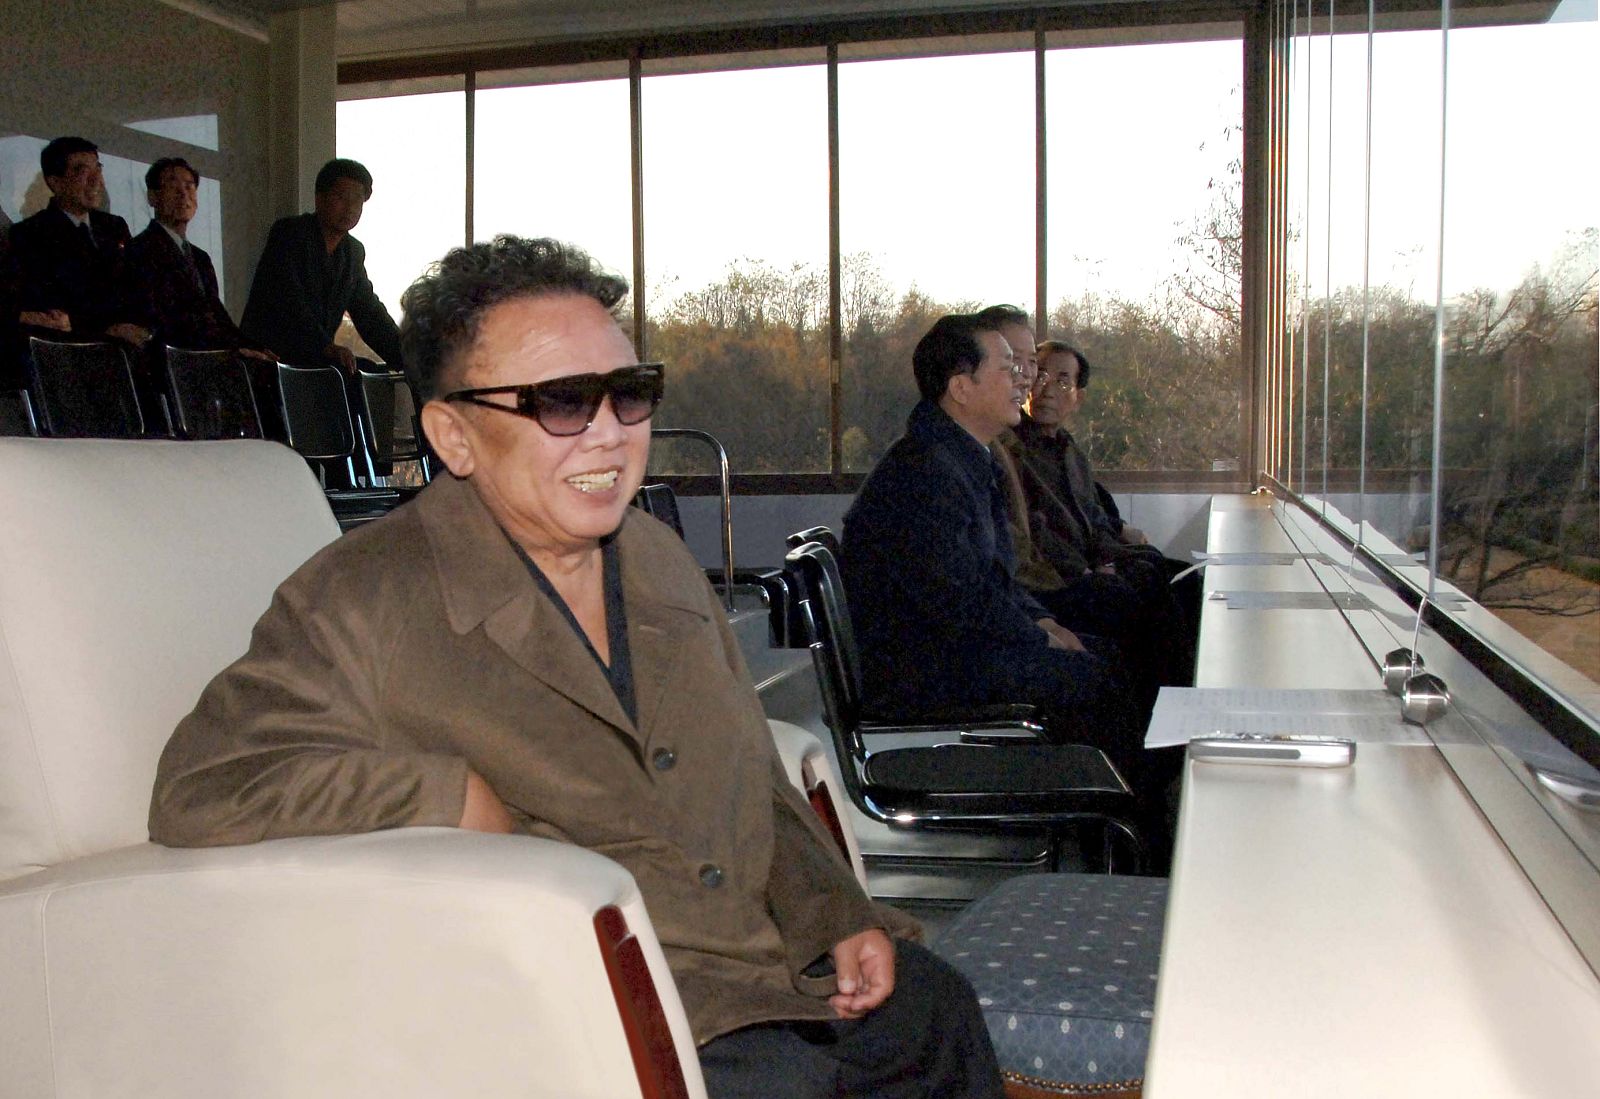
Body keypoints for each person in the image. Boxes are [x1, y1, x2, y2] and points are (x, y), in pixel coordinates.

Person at [149, 236, 1003, 1099]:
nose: (610, 433)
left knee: (936, 1013)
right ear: (453, 435)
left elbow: (752, 773)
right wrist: (445, 793)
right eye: (560, 401)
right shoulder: (364, 595)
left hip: (767, 967)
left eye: (629, 393)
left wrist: (837, 912)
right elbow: (205, 785)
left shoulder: (657, 558)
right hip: (597, 998)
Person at [840, 311, 1143, 768]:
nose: (1024, 380)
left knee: (1107, 656)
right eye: (1008, 368)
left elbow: (995, 579)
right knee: (1094, 679)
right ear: (961, 388)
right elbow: (959, 600)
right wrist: (1039, 639)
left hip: (954, 646)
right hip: (922, 668)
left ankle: (1123, 794)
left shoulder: (961, 455)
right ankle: (1101, 803)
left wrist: (1044, 622)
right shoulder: (925, 473)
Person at [1016, 342, 1198, 688]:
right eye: (1040, 375)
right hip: (1056, 578)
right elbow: (1033, 532)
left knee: (1183, 579)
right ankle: (1161, 702)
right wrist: (1087, 570)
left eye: (1062, 381)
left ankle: (1184, 694)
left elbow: (1093, 515)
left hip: (1093, 562)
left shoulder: (1070, 451)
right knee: (1140, 601)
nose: (1047, 390)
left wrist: (1108, 557)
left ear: (1078, 398)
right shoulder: (1015, 451)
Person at [239, 157, 403, 376]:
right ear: (319, 198)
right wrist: (326, 346)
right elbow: (289, 301)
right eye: (341, 197)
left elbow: (370, 314)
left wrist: (408, 357)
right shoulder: (290, 233)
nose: (350, 208)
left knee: (369, 372)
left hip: (314, 362)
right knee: (344, 374)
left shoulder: (352, 252)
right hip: (269, 358)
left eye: (357, 200)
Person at [120, 157, 273, 362]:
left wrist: (254, 348)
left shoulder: (200, 258)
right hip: (173, 360)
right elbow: (163, 319)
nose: (183, 194)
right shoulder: (140, 250)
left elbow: (218, 316)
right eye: (172, 186)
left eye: (189, 186)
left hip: (209, 356)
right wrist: (228, 351)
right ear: (153, 197)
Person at [5, 136, 144, 344]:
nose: (96, 180)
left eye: (98, 169)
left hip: (127, 349)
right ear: (55, 182)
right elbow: (50, 308)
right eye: (82, 171)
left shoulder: (114, 227)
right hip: (73, 350)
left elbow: (136, 286)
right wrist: (103, 327)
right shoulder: (30, 234)